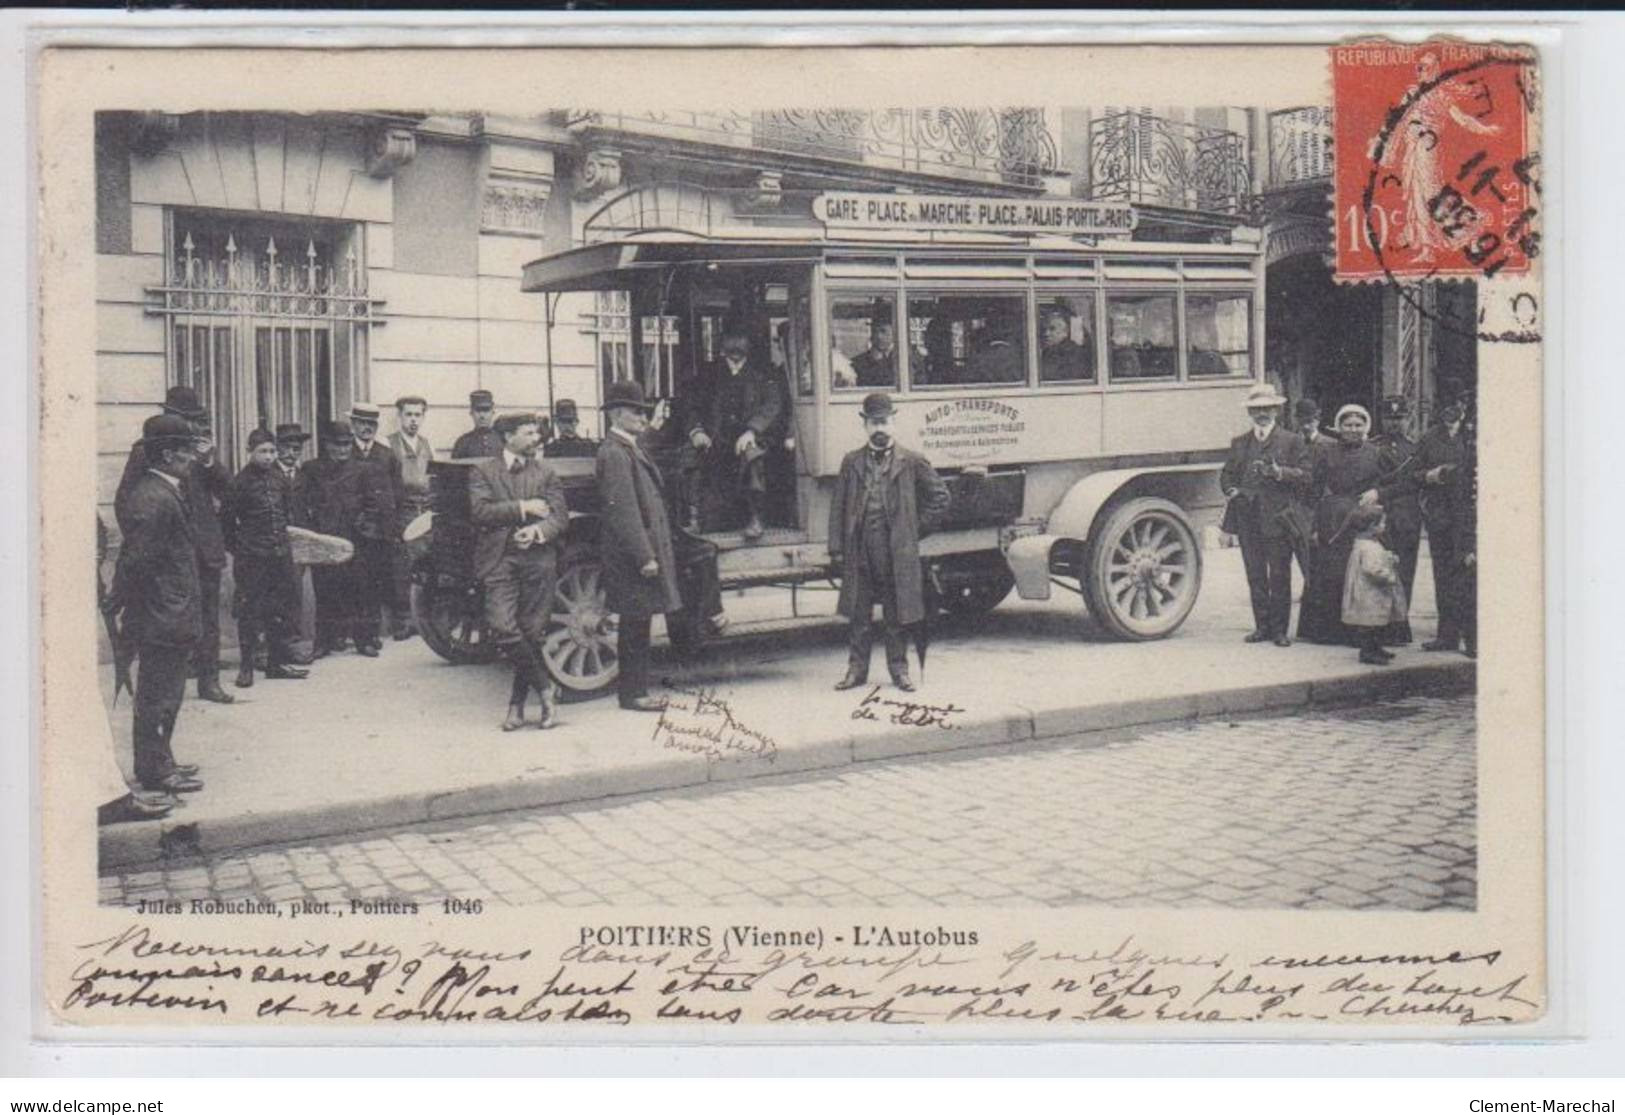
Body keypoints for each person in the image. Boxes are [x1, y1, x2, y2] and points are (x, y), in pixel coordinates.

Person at [114, 386, 235, 704]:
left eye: (195, 420)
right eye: (185, 418)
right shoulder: (147, 450)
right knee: (167, 622)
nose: (191, 426)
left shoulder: (197, 449)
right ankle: (167, 685)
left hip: (203, 547)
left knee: (208, 619)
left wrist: (210, 462)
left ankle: (209, 681)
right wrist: (150, 538)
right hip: (169, 552)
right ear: (169, 414)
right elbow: (125, 501)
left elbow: (231, 492)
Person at [828, 392, 951, 693]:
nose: (879, 428)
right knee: (859, 615)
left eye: (884, 422)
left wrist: (913, 530)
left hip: (895, 551)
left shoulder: (911, 461)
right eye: (873, 423)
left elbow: (941, 498)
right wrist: (836, 548)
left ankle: (900, 671)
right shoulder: (851, 462)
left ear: (894, 422)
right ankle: (856, 671)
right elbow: (838, 507)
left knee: (896, 614)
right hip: (860, 550)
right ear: (865, 425)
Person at [114, 414, 207, 798]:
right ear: (168, 454)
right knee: (158, 696)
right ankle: (154, 769)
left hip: (169, 613)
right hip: (161, 617)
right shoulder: (153, 497)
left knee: (167, 694)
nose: (193, 458)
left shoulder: (161, 490)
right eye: (186, 451)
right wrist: (149, 612)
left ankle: (162, 759)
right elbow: (138, 564)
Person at [470, 413, 568, 731]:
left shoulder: (546, 472)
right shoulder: (483, 471)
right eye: (528, 432)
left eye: (536, 432)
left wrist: (537, 531)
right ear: (508, 436)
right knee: (502, 627)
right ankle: (546, 687)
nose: (536, 437)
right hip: (499, 560)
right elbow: (480, 511)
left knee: (530, 632)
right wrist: (524, 508)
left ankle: (516, 706)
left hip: (538, 560)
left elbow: (559, 518)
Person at [596, 381, 684, 713]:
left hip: (635, 554)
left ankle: (634, 692)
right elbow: (624, 511)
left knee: (639, 622)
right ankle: (633, 694)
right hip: (633, 557)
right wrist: (645, 555)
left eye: (644, 412)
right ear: (617, 414)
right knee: (635, 624)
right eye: (636, 412)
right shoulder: (616, 453)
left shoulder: (627, 447)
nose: (642, 417)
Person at [1297, 403, 1410, 646]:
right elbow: (1314, 491)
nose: (1353, 429)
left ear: (1366, 427)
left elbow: (1400, 483)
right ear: (1339, 427)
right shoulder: (1326, 452)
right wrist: (1314, 525)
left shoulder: (1377, 453)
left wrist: (1377, 493)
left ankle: (1369, 634)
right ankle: (1332, 633)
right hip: (1333, 520)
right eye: (1348, 425)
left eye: (1358, 425)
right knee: (1333, 575)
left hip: (1365, 519)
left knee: (1364, 575)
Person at [1219, 384, 1312, 647]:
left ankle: (1280, 630)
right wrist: (1231, 490)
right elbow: (1226, 474)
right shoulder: (1239, 442)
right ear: (1250, 412)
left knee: (1280, 575)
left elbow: (1307, 476)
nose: (1262, 413)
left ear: (1276, 410)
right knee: (1255, 574)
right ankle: (1262, 627)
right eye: (1257, 409)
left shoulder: (1292, 441)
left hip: (1279, 519)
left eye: (1267, 408)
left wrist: (1279, 472)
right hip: (1247, 519)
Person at [224, 428, 309, 688]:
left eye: (272, 451)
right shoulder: (238, 483)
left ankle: (275, 664)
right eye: (263, 451)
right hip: (252, 559)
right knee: (249, 612)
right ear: (249, 452)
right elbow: (227, 524)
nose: (269, 456)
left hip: (279, 556)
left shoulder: (280, 479)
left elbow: (285, 515)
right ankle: (247, 667)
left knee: (279, 611)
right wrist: (242, 550)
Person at [689, 330, 783, 540]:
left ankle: (755, 517)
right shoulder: (709, 374)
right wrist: (697, 431)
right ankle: (702, 519)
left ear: (748, 344)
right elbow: (692, 405)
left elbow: (773, 404)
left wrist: (753, 430)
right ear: (722, 345)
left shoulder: (763, 373)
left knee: (752, 456)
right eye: (731, 340)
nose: (736, 345)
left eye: (740, 339)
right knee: (697, 460)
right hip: (717, 438)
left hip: (751, 437)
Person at [1406, 397, 1476, 653]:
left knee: (1469, 575)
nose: (1451, 411)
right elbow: (1414, 473)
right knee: (1443, 576)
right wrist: (1430, 476)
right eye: (1446, 405)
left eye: (1456, 405)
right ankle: (1446, 636)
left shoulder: (1476, 433)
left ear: (1464, 407)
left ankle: (1474, 639)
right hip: (1441, 518)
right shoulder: (1429, 438)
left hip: (1470, 516)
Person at [347, 401, 409, 652]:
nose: (366, 428)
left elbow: (398, 494)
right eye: (361, 423)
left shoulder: (386, 455)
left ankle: (370, 636)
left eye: (371, 424)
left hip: (380, 532)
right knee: (350, 583)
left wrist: (395, 528)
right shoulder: (344, 452)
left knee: (374, 583)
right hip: (351, 531)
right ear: (353, 425)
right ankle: (345, 634)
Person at [299, 421, 361, 657]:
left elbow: (369, 502)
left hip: (353, 537)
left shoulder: (360, 469)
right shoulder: (311, 470)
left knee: (356, 588)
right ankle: (324, 641)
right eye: (338, 445)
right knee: (325, 589)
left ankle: (361, 639)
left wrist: (362, 526)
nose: (343, 450)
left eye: (347, 445)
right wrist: (312, 532)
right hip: (323, 538)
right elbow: (302, 503)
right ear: (326, 445)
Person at [1371, 395, 1423, 633]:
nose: (1394, 423)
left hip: (1407, 518)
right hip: (1380, 517)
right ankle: (1379, 625)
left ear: (1408, 419)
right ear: (1382, 420)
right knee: (1378, 571)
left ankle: (1400, 624)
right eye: (1390, 418)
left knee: (1405, 572)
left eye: (1399, 418)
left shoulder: (1416, 449)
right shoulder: (1372, 447)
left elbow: (1417, 483)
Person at [388, 396, 433, 640]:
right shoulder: (390, 444)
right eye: (409, 415)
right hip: (403, 510)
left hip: (424, 510)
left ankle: (422, 620)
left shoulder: (427, 445)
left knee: (424, 562)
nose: (413, 420)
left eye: (418, 415)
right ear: (400, 416)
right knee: (402, 566)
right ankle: (403, 620)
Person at [1341, 504, 1408, 666]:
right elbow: (1373, 569)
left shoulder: (1365, 544)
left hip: (1369, 592)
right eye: (1382, 523)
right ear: (1372, 527)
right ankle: (1368, 652)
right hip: (1371, 592)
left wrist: (1388, 557)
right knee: (1371, 625)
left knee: (1376, 624)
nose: (1384, 526)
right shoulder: (1369, 547)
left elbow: (1377, 559)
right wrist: (1389, 575)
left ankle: (1376, 648)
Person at [1038, 307, 1094, 382]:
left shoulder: (1074, 354)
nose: (1046, 333)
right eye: (1044, 329)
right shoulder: (1047, 352)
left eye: (1052, 329)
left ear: (1066, 332)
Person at [452, 389, 505, 460]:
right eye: (478, 411)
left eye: (486, 411)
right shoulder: (463, 443)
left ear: (493, 412)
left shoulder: (502, 440)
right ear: (471, 413)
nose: (482, 416)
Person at [849, 319, 902, 387]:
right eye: (874, 331)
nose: (878, 336)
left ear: (895, 333)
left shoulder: (907, 359)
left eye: (883, 331)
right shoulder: (858, 363)